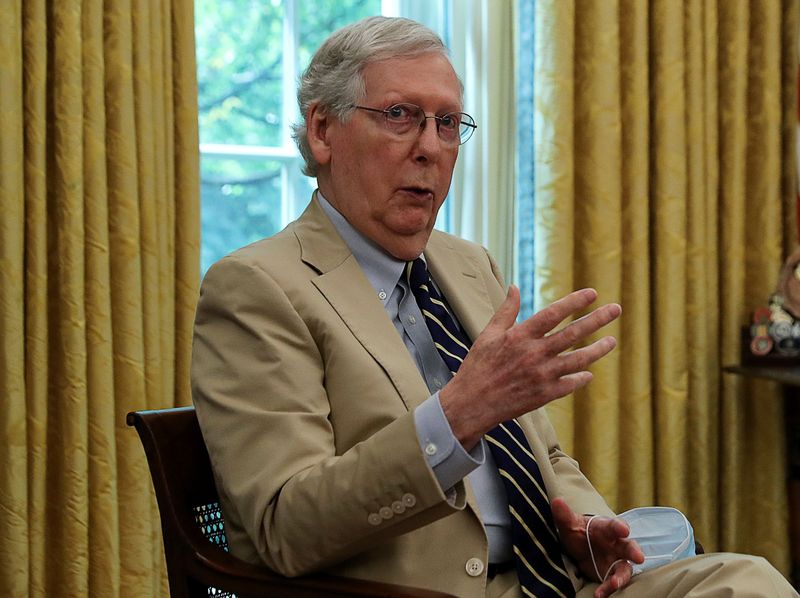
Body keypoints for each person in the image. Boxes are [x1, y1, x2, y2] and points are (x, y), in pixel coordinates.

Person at [191, 16, 798, 598]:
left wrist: (586, 529)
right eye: (400, 116)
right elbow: (286, 526)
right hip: (418, 594)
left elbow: (545, 456)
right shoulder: (258, 287)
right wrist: (454, 418)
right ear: (322, 131)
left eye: (449, 123)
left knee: (749, 582)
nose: (431, 148)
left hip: (555, 579)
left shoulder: (468, 265)